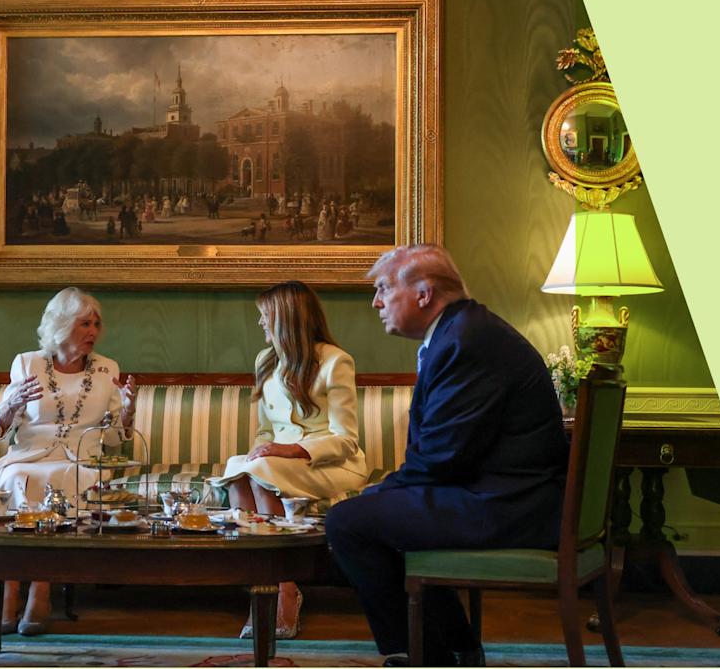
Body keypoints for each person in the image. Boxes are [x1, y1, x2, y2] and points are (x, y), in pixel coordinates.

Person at [325, 245, 569, 667]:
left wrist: (379, 493)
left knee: (347, 522)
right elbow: (449, 451)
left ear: (424, 294)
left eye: (384, 288)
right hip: (508, 496)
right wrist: (386, 495)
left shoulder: (465, 341)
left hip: (508, 506)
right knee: (382, 514)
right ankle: (455, 647)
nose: (376, 302)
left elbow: (441, 456)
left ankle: (422, 657)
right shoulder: (465, 331)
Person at [0, 287, 137, 636]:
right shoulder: (27, 363)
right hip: (28, 455)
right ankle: (9, 591)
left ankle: (41, 588)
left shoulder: (107, 368)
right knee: (17, 476)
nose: (93, 331)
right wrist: (8, 406)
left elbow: (112, 440)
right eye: (84, 323)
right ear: (62, 325)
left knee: (68, 477)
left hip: (80, 459)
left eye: (96, 323)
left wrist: (126, 414)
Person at [211, 281, 367, 640]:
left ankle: (282, 593)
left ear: (286, 318)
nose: (261, 324)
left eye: (265, 316)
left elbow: (346, 439)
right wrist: (260, 450)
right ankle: (267, 588)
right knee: (241, 470)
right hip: (277, 464)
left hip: (329, 464)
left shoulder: (335, 361)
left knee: (262, 471)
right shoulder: (265, 361)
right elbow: (266, 432)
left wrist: (290, 451)